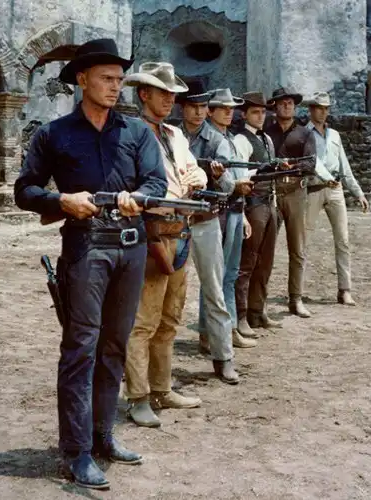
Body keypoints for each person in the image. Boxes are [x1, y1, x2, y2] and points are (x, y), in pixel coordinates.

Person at [14, 39, 167, 490]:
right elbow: (24, 190)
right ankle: (76, 452)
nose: (115, 87)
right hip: (85, 249)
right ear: (82, 79)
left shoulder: (137, 132)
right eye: (106, 79)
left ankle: (103, 436)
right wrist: (62, 200)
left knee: (115, 345)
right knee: (81, 348)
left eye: (119, 80)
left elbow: (156, 182)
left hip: (131, 247)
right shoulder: (54, 134)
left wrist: (139, 197)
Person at [121, 63, 208, 427]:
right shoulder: (130, 132)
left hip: (180, 230)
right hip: (151, 231)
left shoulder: (175, 134)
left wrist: (197, 177)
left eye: (173, 94)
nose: (170, 99)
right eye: (163, 93)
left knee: (170, 318)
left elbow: (195, 170)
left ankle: (161, 388)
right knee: (143, 321)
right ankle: (138, 396)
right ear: (144, 94)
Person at [177, 79, 241, 384]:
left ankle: (223, 357)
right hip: (174, 221)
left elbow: (229, 187)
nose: (199, 112)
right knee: (162, 293)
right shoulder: (171, 136)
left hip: (205, 220)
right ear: (183, 107)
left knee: (215, 291)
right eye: (193, 106)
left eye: (203, 106)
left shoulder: (217, 140)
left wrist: (217, 176)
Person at [302, 92, 369, 305]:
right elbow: (311, 162)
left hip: (336, 190)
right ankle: (297, 291)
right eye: (319, 108)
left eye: (326, 108)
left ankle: (345, 289)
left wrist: (358, 192)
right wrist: (327, 178)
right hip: (313, 189)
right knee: (303, 240)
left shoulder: (335, 136)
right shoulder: (303, 134)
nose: (323, 112)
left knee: (343, 240)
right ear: (311, 109)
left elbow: (344, 167)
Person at [207, 88, 257, 349]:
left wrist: (244, 210)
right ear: (211, 111)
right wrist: (234, 186)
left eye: (231, 109)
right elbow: (220, 178)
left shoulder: (229, 138)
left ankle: (228, 328)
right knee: (219, 275)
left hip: (236, 208)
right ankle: (218, 332)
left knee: (230, 273)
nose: (229, 112)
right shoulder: (211, 139)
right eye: (223, 108)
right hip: (221, 210)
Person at [232, 91, 283, 335]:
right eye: (255, 112)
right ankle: (241, 315)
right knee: (247, 262)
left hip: (270, 204)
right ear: (244, 114)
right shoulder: (241, 140)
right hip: (253, 205)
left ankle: (257, 311)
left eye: (263, 112)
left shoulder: (267, 139)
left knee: (265, 261)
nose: (260, 116)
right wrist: (243, 212)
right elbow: (241, 175)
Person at [264, 86, 317, 318]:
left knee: (297, 248)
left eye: (290, 103)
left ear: (295, 107)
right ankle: (260, 299)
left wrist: (289, 165)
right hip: (272, 191)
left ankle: (296, 298)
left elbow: (310, 164)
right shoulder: (266, 132)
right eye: (282, 103)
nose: (286, 106)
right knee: (265, 247)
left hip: (296, 191)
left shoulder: (305, 134)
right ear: (275, 106)